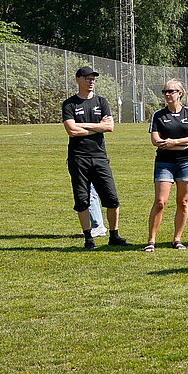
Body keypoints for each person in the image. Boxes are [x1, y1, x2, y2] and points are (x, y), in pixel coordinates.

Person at [62, 65, 128, 249]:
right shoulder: (70, 104)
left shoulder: (101, 102)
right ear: (78, 80)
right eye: (87, 78)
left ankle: (114, 236)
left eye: (93, 79)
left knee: (112, 199)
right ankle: (88, 238)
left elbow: (109, 127)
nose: (91, 82)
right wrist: (96, 126)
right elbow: (71, 130)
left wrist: (85, 127)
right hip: (78, 158)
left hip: (99, 157)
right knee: (82, 199)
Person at [145, 78, 188, 251]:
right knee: (160, 202)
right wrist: (181, 144)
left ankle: (177, 239)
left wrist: (174, 142)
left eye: (171, 91)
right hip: (164, 163)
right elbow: (156, 141)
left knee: (183, 202)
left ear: (180, 93)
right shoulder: (158, 115)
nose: (167, 95)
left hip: (186, 163)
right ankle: (151, 240)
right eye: (165, 92)